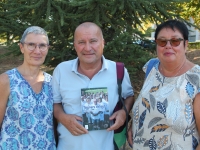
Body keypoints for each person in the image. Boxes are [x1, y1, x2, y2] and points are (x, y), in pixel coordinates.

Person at [52, 22, 134, 150]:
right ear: (74, 45)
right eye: (81, 42)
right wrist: (62, 117)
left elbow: (129, 96)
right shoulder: (61, 70)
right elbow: (55, 103)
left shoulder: (119, 71)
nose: (88, 48)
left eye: (93, 41)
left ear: (102, 43)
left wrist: (124, 112)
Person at [128, 19, 200, 150]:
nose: (168, 45)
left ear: (186, 44)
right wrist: (135, 125)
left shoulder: (196, 79)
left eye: (175, 41)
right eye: (162, 41)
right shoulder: (151, 67)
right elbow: (146, 102)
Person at [0, 26, 56, 149]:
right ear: (22, 47)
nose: (37, 51)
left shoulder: (52, 82)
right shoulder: (6, 80)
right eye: (31, 45)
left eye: (42, 45)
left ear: (47, 49)